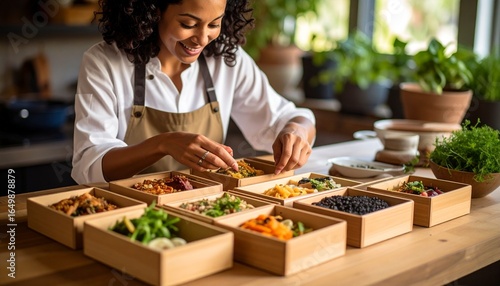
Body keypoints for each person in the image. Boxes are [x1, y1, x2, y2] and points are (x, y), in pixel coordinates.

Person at [71, 0, 316, 184]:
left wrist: (296, 132)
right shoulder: (103, 62)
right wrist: (162, 144)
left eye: (214, 24)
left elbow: (289, 118)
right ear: (153, 11)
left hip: (206, 209)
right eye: (188, 24)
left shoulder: (227, 60)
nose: (201, 38)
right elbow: (89, 165)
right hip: (126, 216)